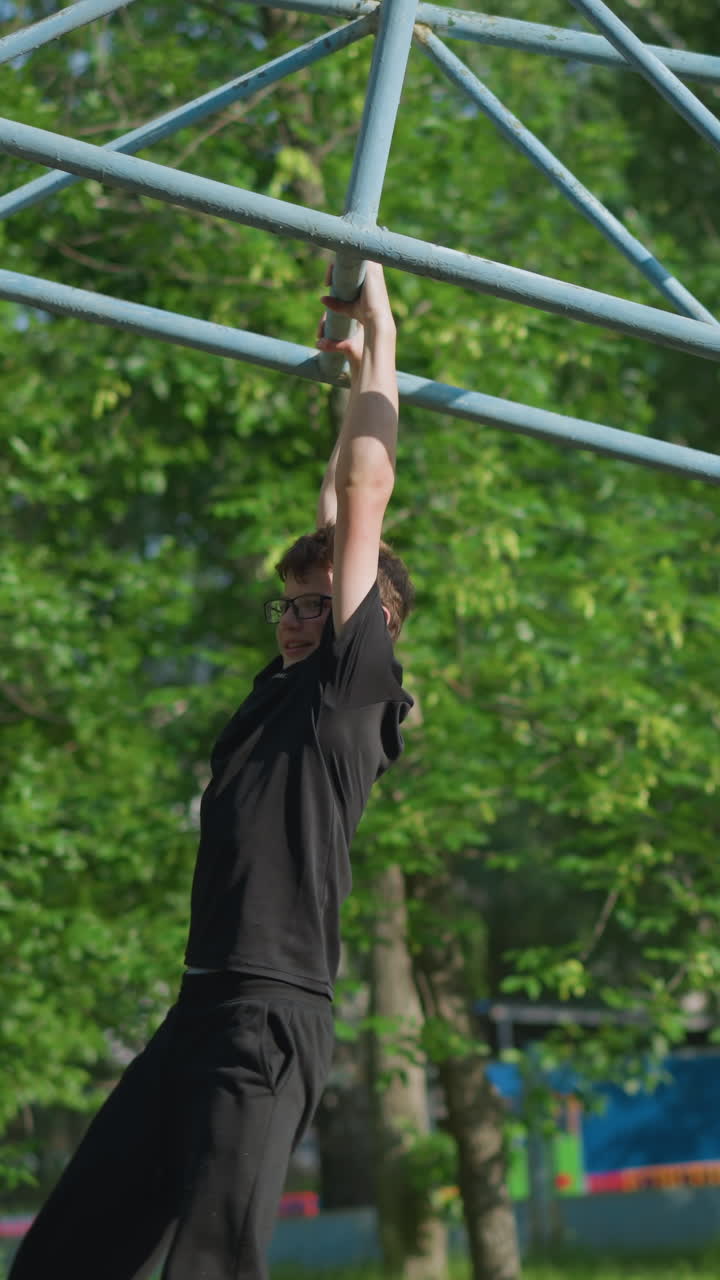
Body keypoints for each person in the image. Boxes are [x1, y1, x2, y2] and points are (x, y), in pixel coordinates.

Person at [9, 260, 414, 1280]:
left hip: (271, 1012)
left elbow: (366, 489)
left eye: (311, 607)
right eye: (281, 603)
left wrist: (386, 325)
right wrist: (353, 366)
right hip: (197, 1009)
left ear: (370, 627)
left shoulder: (349, 687)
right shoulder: (284, 686)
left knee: (210, 1263)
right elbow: (334, 500)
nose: (289, 619)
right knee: (63, 1256)